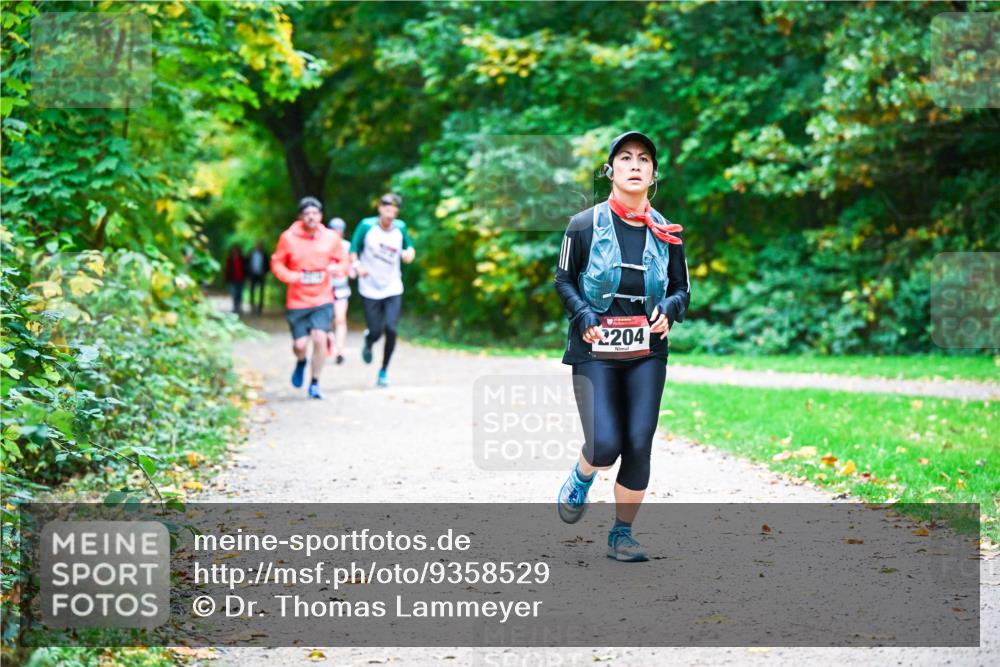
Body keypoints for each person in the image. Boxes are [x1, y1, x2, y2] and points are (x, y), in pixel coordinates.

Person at [554, 131, 690, 562]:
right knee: (604, 444)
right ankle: (581, 475)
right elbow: (563, 280)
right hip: (594, 349)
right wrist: (583, 314)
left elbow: (682, 289)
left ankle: (622, 534)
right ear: (611, 171)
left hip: (647, 351)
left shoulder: (668, 233)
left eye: (644, 159)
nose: (635, 165)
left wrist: (670, 307)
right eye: (626, 158)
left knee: (637, 441)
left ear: (653, 174)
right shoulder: (583, 225)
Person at [270, 196, 349, 399]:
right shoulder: (288, 238)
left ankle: (315, 382)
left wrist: (336, 269)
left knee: (320, 338)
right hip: (297, 300)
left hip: (322, 298)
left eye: (315, 213)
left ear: (321, 216)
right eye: (307, 214)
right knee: (300, 345)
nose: (311, 217)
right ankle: (301, 361)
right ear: (301, 217)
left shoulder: (331, 237)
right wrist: (290, 276)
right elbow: (277, 262)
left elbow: (344, 260)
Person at [351, 192, 416, 387]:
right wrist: (358, 266)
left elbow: (409, 248)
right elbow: (353, 250)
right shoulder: (366, 226)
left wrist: (409, 255)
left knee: (392, 329)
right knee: (376, 331)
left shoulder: (400, 228)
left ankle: (383, 370)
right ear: (380, 208)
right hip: (370, 287)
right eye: (386, 208)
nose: (390, 212)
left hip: (392, 286)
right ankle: (369, 340)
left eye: (394, 209)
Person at [326, 217, 354, 364]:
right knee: (327, 320)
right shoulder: (323, 246)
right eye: (334, 230)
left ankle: (340, 350)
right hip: (325, 289)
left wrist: (352, 271)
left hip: (341, 288)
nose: (337, 233)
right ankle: (329, 338)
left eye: (339, 230)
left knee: (340, 319)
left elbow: (351, 265)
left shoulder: (347, 246)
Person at [246, 242, 269, 315]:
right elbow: (247, 264)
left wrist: (265, 272)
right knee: (252, 291)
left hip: (261, 275)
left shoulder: (264, 254)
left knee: (261, 292)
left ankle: (260, 307)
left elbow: (267, 265)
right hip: (253, 275)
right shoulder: (251, 254)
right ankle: (252, 306)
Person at [223, 245, 245, 314]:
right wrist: (226, 278)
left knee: (240, 293)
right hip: (233, 279)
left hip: (241, 278)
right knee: (234, 293)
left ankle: (239, 306)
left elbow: (245, 268)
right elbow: (227, 270)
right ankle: (235, 307)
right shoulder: (230, 259)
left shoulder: (242, 259)